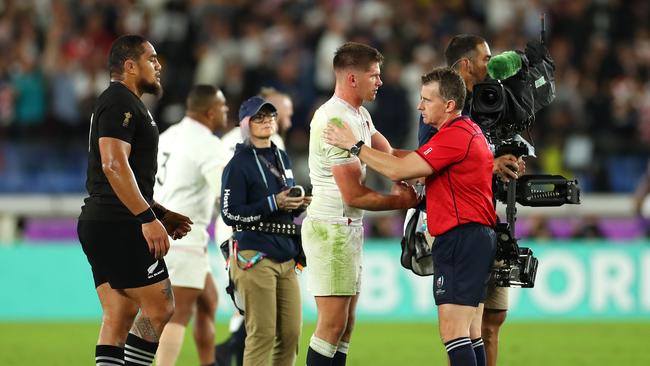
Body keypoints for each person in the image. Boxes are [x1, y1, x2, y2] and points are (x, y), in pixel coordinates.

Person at [323, 67, 497, 366]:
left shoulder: (455, 136)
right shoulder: (463, 132)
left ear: (449, 105)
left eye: (427, 100)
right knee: (469, 331)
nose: (420, 106)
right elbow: (409, 159)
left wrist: (355, 145)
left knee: (453, 331)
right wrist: (378, 146)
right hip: (474, 237)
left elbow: (398, 170)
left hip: (461, 237)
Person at [77, 34, 193, 366]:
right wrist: (146, 218)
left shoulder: (123, 103)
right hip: (120, 222)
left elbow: (117, 173)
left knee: (119, 314)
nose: (158, 65)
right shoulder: (120, 102)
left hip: (103, 219)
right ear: (130, 66)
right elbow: (113, 164)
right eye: (151, 59)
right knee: (161, 308)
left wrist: (160, 212)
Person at [302, 42, 418, 366]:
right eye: (374, 75)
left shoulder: (360, 115)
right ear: (353, 79)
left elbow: (392, 157)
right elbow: (353, 195)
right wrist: (400, 201)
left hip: (347, 228)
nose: (380, 81)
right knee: (332, 325)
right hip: (331, 230)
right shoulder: (334, 121)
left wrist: (443, 161)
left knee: (346, 326)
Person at [417, 34, 524, 366]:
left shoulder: (488, 101)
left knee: (484, 323)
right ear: (465, 64)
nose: (490, 65)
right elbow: (431, 164)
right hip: (460, 223)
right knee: (466, 327)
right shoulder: (441, 112)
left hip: (482, 220)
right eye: (484, 58)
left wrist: (503, 160)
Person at [220, 96, 310, 366]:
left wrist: (297, 205)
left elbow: (282, 202)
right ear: (244, 124)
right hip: (254, 255)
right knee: (263, 334)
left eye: (269, 115)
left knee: (291, 334)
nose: (265, 120)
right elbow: (229, 213)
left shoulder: (281, 156)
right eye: (257, 117)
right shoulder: (237, 164)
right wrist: (275, 202)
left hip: (286, 255)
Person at [153, 85, 230, 366]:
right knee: (179, 312)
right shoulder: (208, 145)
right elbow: (225, 193)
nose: (226, 112)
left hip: (161, 227)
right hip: (183, 234)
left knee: (207, 299)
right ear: (210, 112)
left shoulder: (168, 136)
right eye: (222, 107)